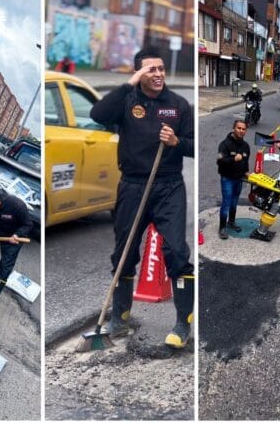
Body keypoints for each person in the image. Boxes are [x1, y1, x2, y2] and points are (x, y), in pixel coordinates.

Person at [88, 47, 195, 349]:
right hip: (133, 186)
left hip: (169, 187)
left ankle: (183, 325)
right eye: (151, 69)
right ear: (139, 74)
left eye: (161, 68)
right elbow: (98, 115)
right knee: (124, 253)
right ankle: (119, 319)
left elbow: (194, 146)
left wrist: (176, 142)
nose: (159, 74)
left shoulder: (178, 105)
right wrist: (129, 84)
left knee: (176, 252)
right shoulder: (127, 101)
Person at [216, 120, 250, 239]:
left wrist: (246, 173)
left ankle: (231, 222)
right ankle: (222, 227)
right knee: (226, 202)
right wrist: (233, 159)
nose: (241, 131)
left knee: (234, 202)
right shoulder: (224, 145)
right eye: (239, 128)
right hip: (227, 179)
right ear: (233, 128)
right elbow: (219, 161)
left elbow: (246, 162)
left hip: (239, 179)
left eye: (243, 129)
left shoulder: (246, 146)